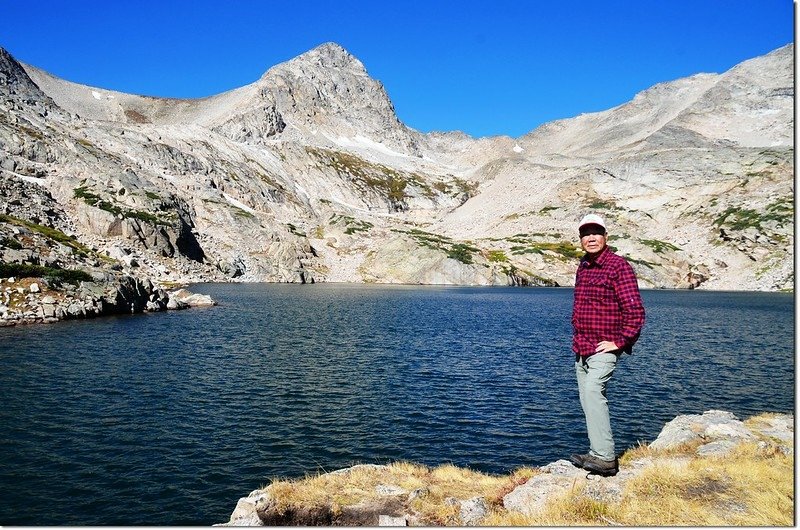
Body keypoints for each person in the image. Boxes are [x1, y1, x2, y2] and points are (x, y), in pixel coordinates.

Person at [569, 213, 645, 477]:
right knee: (586, 399)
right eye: (585, 234)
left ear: (605, 236)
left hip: (604, 347)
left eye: (596, 232)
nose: (590, 238)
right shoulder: (584, 266)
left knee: (593, 392)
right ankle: (595, 451)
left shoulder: (618, 266)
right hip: (582, 346)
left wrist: (619, 341)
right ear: (581, 239)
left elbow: (635, 311)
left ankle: (606, 458)